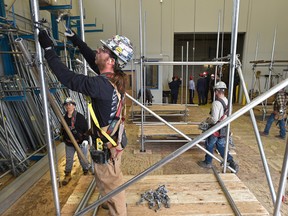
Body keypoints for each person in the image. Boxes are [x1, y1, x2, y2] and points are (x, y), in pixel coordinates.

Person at [38, 29, 133, 215]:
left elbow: (67, 78)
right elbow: (93, 59)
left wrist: (49, 50)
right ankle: (108, 200)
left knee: (114, 189)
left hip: (107, 149)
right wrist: (75, 39)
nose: (99, 49)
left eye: (104, 49)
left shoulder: (99, 85)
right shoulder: (114, 79)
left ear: (111, 61)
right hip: (113, 142)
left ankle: (117, 209)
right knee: (107, 182)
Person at [197, 81, 239, 173]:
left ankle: (208, 162)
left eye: (215, 90)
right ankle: (231, 161)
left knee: (210, 144)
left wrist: (207, 120)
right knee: (220, 145)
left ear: (217, 91)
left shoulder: (216, 103)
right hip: (224, 127)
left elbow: (214, 119)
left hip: (216, 128)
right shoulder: (228, 101)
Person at [61, 97, 89, 185]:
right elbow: (62, 129)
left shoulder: (80, 117)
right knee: (69, 159)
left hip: (80, 142)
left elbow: (86, 129)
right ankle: (67, 174)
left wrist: (85, 140)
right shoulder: (64, 118)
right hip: (69, 143)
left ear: (74, 106)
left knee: (82, 158)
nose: (68, 106)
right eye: (67, 105)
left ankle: (86, 170)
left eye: (70, 104)